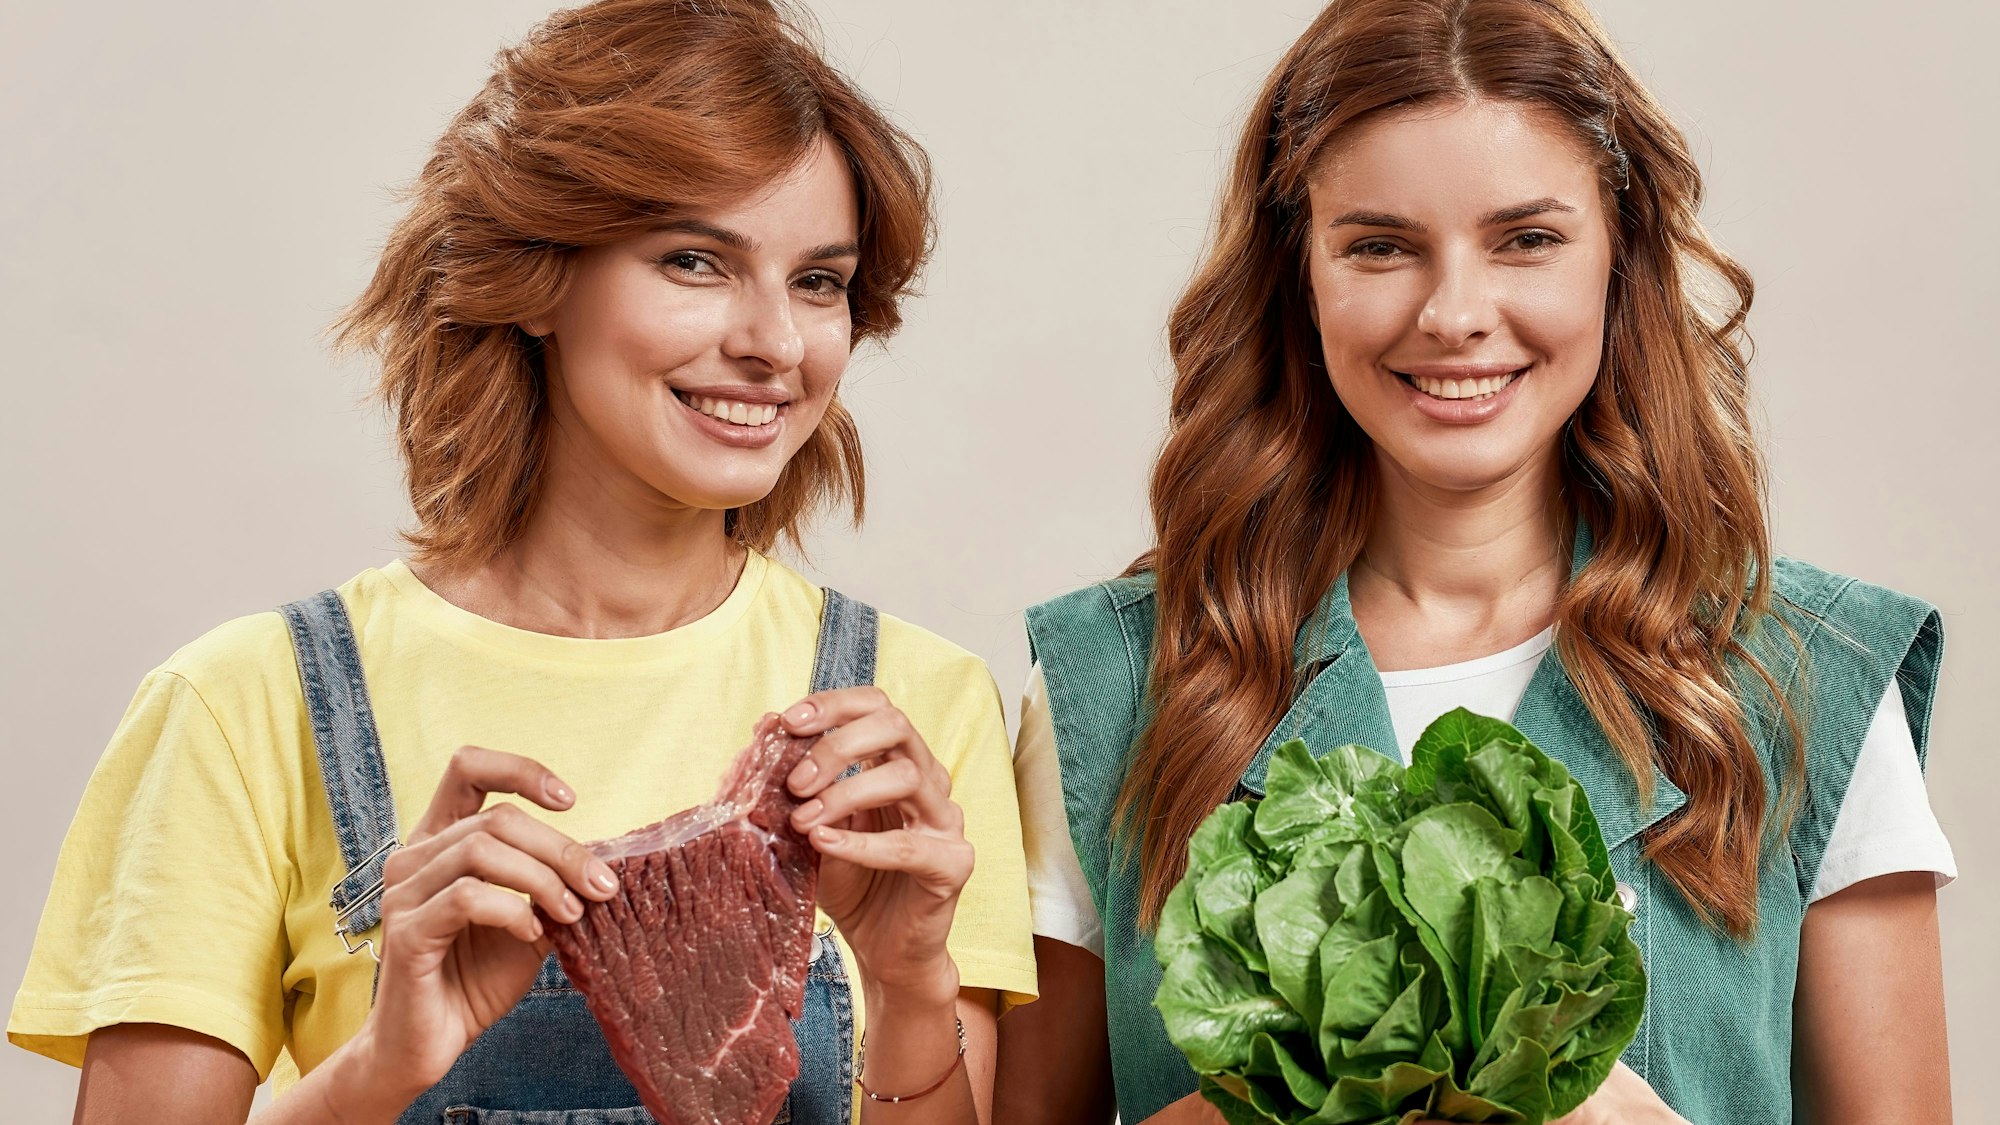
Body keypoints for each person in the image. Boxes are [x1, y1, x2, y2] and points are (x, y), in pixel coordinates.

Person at [8, 1, 1037, 1121]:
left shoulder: (909, 710)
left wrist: (904, 984)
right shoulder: (242, 707)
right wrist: (383, 1067)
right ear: (538, 275)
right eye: (695, 260)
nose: (776, 344)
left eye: (818, 282)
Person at [994, 0, 1953, 1122]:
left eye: (1525, 240)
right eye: (1379, 246)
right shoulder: (1111, 691)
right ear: (1297, 274)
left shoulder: (1805, 680)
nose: (1453, 314)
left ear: (1617, 258)